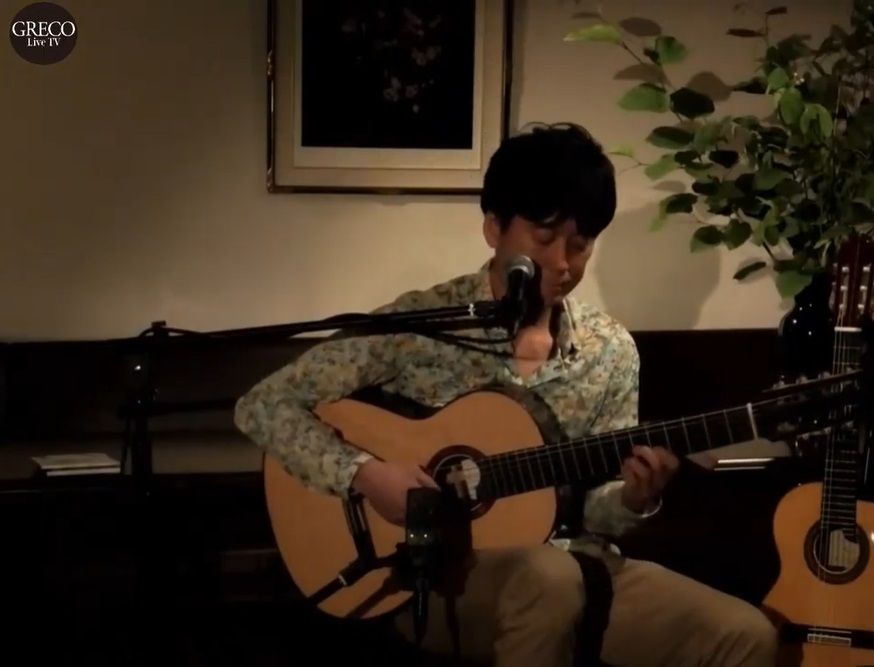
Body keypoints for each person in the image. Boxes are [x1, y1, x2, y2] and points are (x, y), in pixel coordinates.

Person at [234, 122, 778, 666]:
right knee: (549, 579)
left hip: (578, 565)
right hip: (435, 571)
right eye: (544, 239)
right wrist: (366, 474)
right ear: (494, 227)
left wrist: (634, 499)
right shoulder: (420, 325)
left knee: (745, 635)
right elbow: (262, 405)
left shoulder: (610, 350)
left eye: (580, 245)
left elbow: (593, 511)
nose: (563, 263)